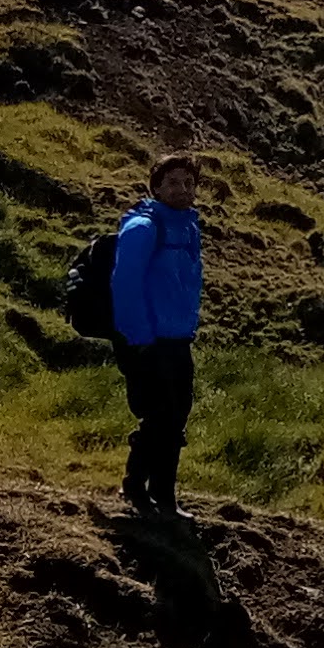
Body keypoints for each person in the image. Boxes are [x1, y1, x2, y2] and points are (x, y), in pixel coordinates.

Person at [109, 150, 205, 515]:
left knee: (177, 414)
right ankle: (136, 487)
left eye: (188, 183)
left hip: (179, 337)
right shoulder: (144, 227)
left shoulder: (190, 227)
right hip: (148, 339)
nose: (182, 189)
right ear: (156, 188)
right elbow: (125, 284)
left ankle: (164, 496)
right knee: (159, 415)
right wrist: (139, 338)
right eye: (173, 183)